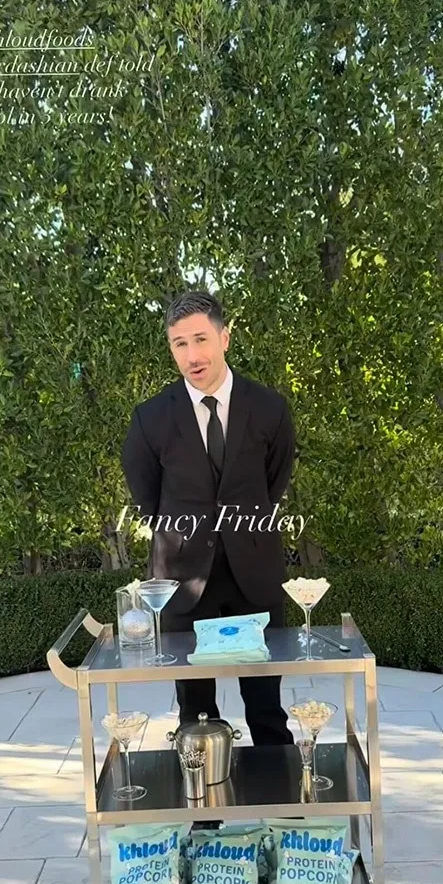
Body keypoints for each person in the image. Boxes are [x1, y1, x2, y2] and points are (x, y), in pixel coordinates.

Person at [120, 289, 295, 746]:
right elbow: (147, 499)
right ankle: (205, 814)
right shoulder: (150, 419)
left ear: (225, 338)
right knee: (195, 715)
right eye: (180, 343)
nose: (193, 355)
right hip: (184, 581)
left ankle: (275, 807)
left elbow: (272, 484)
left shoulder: (270, 408)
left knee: (267, 709)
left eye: (201, 339)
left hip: (253, 575)